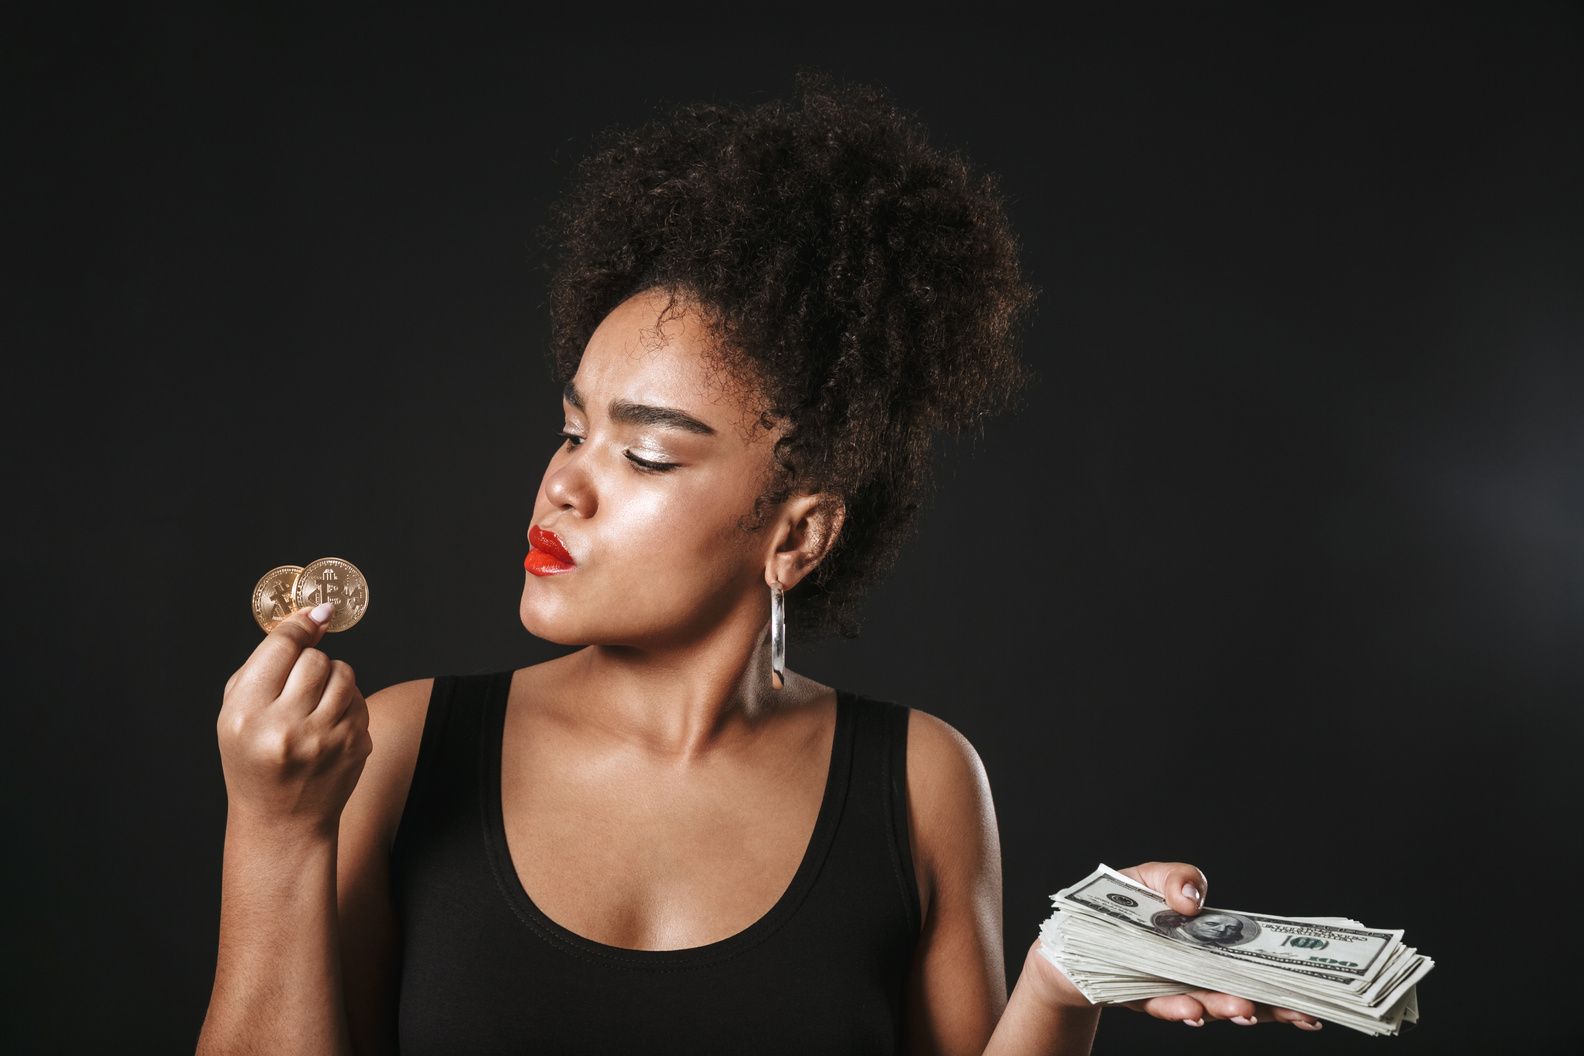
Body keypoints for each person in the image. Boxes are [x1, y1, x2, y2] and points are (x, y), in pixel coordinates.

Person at [196, 76, 1321, 1054]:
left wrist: (1067, 978)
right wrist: (276, 831)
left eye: (642, 453)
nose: (565, 486)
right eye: (570, 430)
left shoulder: (920, 782)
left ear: (798, 536)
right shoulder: (393, 750)